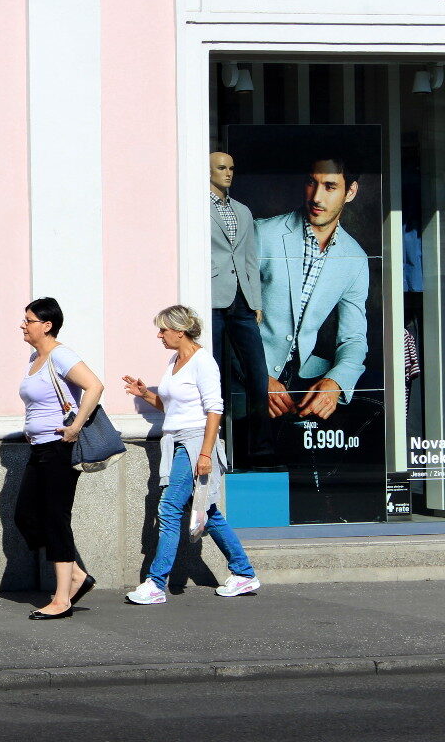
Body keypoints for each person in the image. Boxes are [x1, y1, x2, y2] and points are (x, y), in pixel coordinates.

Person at [123, 305, 261, 605]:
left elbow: (215, 409)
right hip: (174, 440)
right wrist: (145, 394)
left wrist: (206, 453)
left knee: (170, 508)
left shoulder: (203, 361)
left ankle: (156, 583)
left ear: (180, 331)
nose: (160, 335)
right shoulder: (175, 360)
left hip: (197, 440)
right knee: (206, 512)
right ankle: (245, 573)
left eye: (163, 329)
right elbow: (172, 407)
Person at [255, 157, 369, 420]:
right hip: (248, 376)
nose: (317, 197)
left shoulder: (355, 258)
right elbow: (226, 320)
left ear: (350, 192)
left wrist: (336, 382)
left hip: (303, 380)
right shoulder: (263, 235)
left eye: (330, 187)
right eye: (311, 183)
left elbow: (353, 338)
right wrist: (258, 375)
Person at [13, 297, 105, 620]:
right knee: (25, 515)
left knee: (55, 518)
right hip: (39, 448)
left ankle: (62, 598)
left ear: (46, 325)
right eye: (24, 320)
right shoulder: (34, 358)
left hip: (59, 448)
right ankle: (77, 575)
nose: (23, 325)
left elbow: (94, 386)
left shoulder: (61, 355)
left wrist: (75, 426)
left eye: (29, 320)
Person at [208, 152, 274, 463]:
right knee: (215, 375)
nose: (228, 173)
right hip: (211, 298)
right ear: (208, 171)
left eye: (232, 168)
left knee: (257, 373)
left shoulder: (242, 211)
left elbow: (250, 258)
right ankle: (214, 442)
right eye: (222, 168)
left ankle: (260, 446)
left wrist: (256, 301)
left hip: (243, 300)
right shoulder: (198, 207)